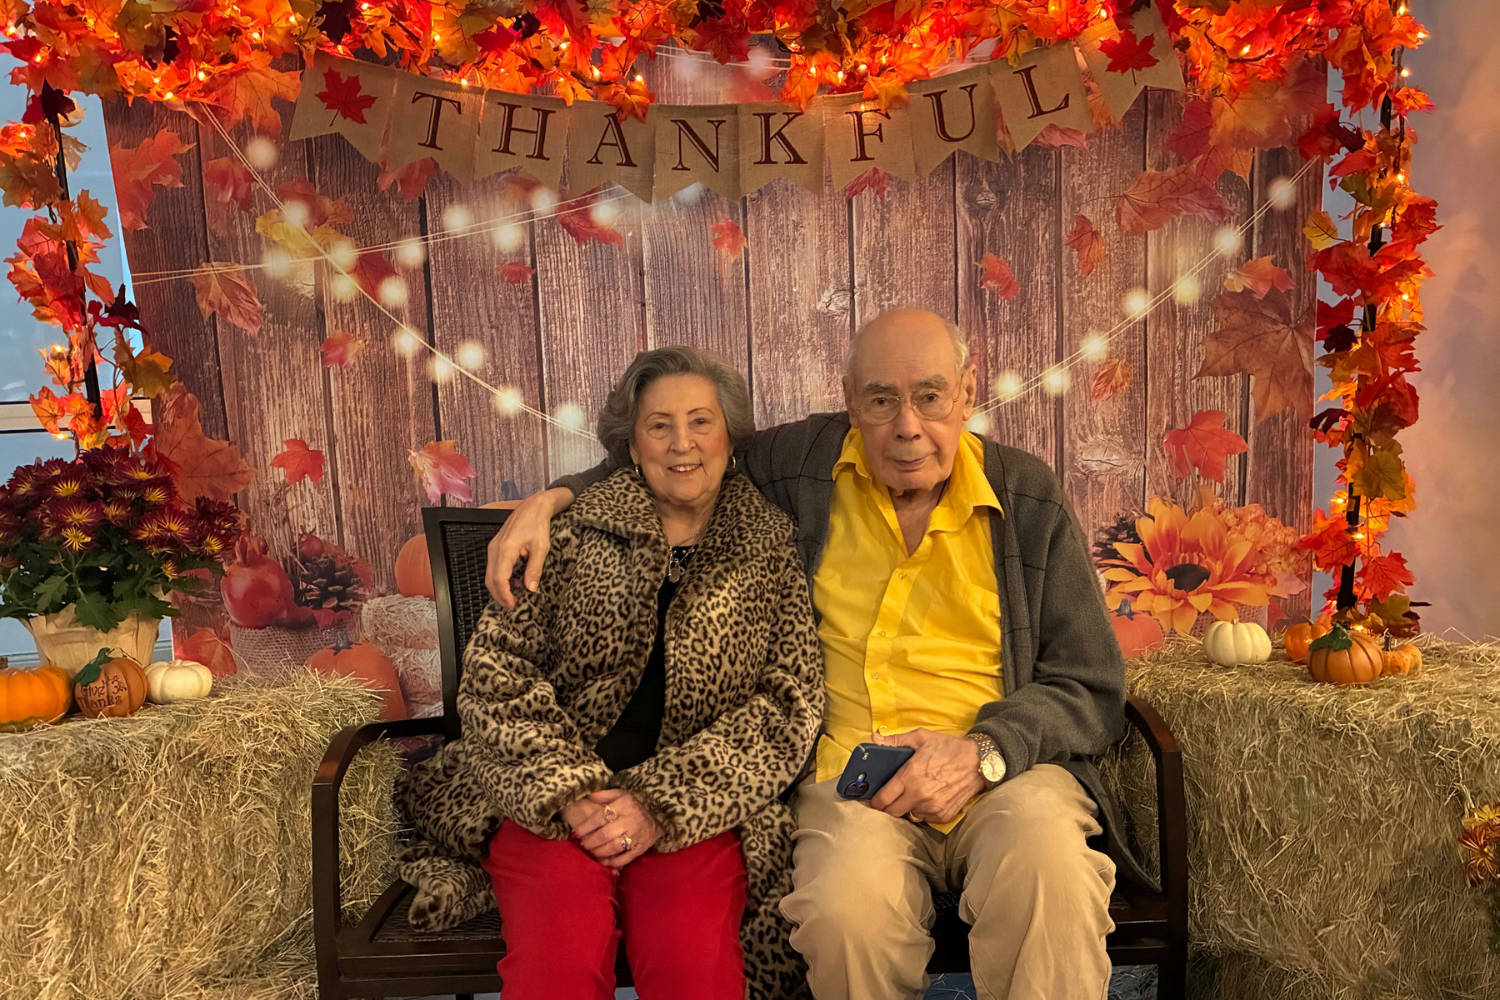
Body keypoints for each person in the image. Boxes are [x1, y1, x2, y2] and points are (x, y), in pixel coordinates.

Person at [487, 309, 1147, 1000]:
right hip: (851, 781)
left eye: (929, 396)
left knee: (1049, 881)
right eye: (881, 400)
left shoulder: (1027, 495)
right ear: (850, 401)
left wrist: (983, 751)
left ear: (968, 392)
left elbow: (1090, 683)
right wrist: (554, 498)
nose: (907, 426)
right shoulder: (801, 465)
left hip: (1003, 773)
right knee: (843, 915)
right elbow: (678, 457)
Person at [396, 346, 824, 1000]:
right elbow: (495, 679)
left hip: (694, 804)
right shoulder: (570, 534)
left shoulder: (769, 549)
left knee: (693, 969)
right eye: (659, 425)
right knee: (559, 966)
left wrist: (659, 802)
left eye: (701, 421)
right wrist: (568, 791)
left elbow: (787, 707)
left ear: (731, 437)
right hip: (549, 798)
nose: (682, 443)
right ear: (632, 444)